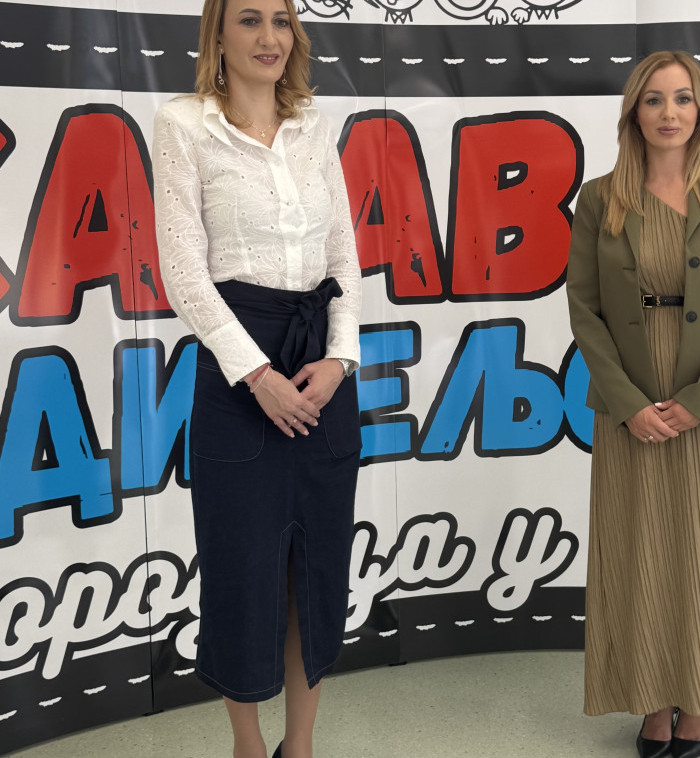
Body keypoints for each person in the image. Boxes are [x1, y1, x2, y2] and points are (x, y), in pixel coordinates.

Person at [152, 1, 361, 756]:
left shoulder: (315, 126)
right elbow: (184, 273)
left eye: (281, 20)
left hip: (321, 369)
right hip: (239, 372)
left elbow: (344, 258)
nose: (269, 37)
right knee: (243, 571)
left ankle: (298, 746)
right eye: (249, 20)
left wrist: (339, 360)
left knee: (317, 570)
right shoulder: (182, 125)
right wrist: (259, 377)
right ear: (217, 33)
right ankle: (248, 745)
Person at [566, 51, 700, 758]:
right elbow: (585, 309)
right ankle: (653, 701)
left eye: (682, 98)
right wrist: (627, 402)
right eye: (654, 99)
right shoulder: (600, 199)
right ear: (634, 113)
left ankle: (699, 700)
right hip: (629, 399)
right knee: (638, 551)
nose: (669, 113)